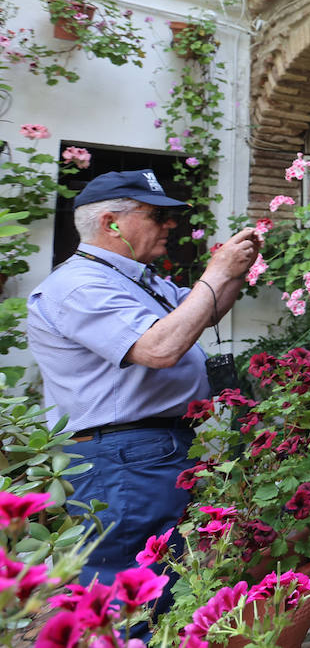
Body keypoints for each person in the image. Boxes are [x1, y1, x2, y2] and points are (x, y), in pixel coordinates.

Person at [26, 169, 260, 592]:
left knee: (169, 581)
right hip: (122, 457)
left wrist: (233, 272)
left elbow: (199, 315)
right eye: (157, 215)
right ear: (111, 223)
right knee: (134, 590)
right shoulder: (79, 286)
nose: (170, 225)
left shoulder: (134, 276)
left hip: (149, 450)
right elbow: (159, 349)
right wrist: (214, 271)